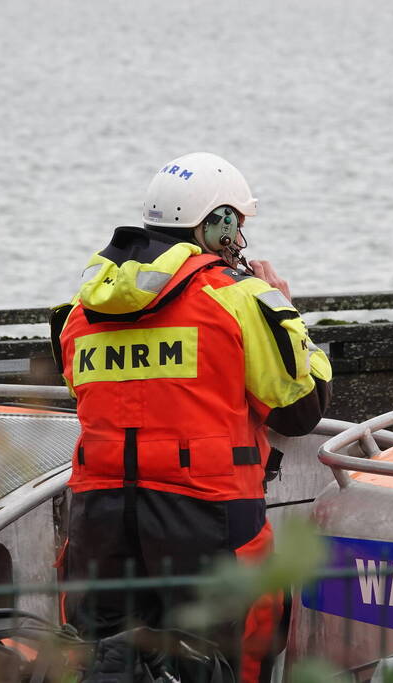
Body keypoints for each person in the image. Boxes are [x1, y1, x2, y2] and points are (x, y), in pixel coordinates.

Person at [50, 152, 332, 682]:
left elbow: (82, 391)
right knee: (221, 661)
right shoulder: (240, 299)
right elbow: (301, 410)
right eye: (236, 223)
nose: (239, 237)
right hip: (208, 518)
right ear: (215, 222)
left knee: (100, 663)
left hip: (98, 521)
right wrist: (288, 314)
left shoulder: (81, 310)